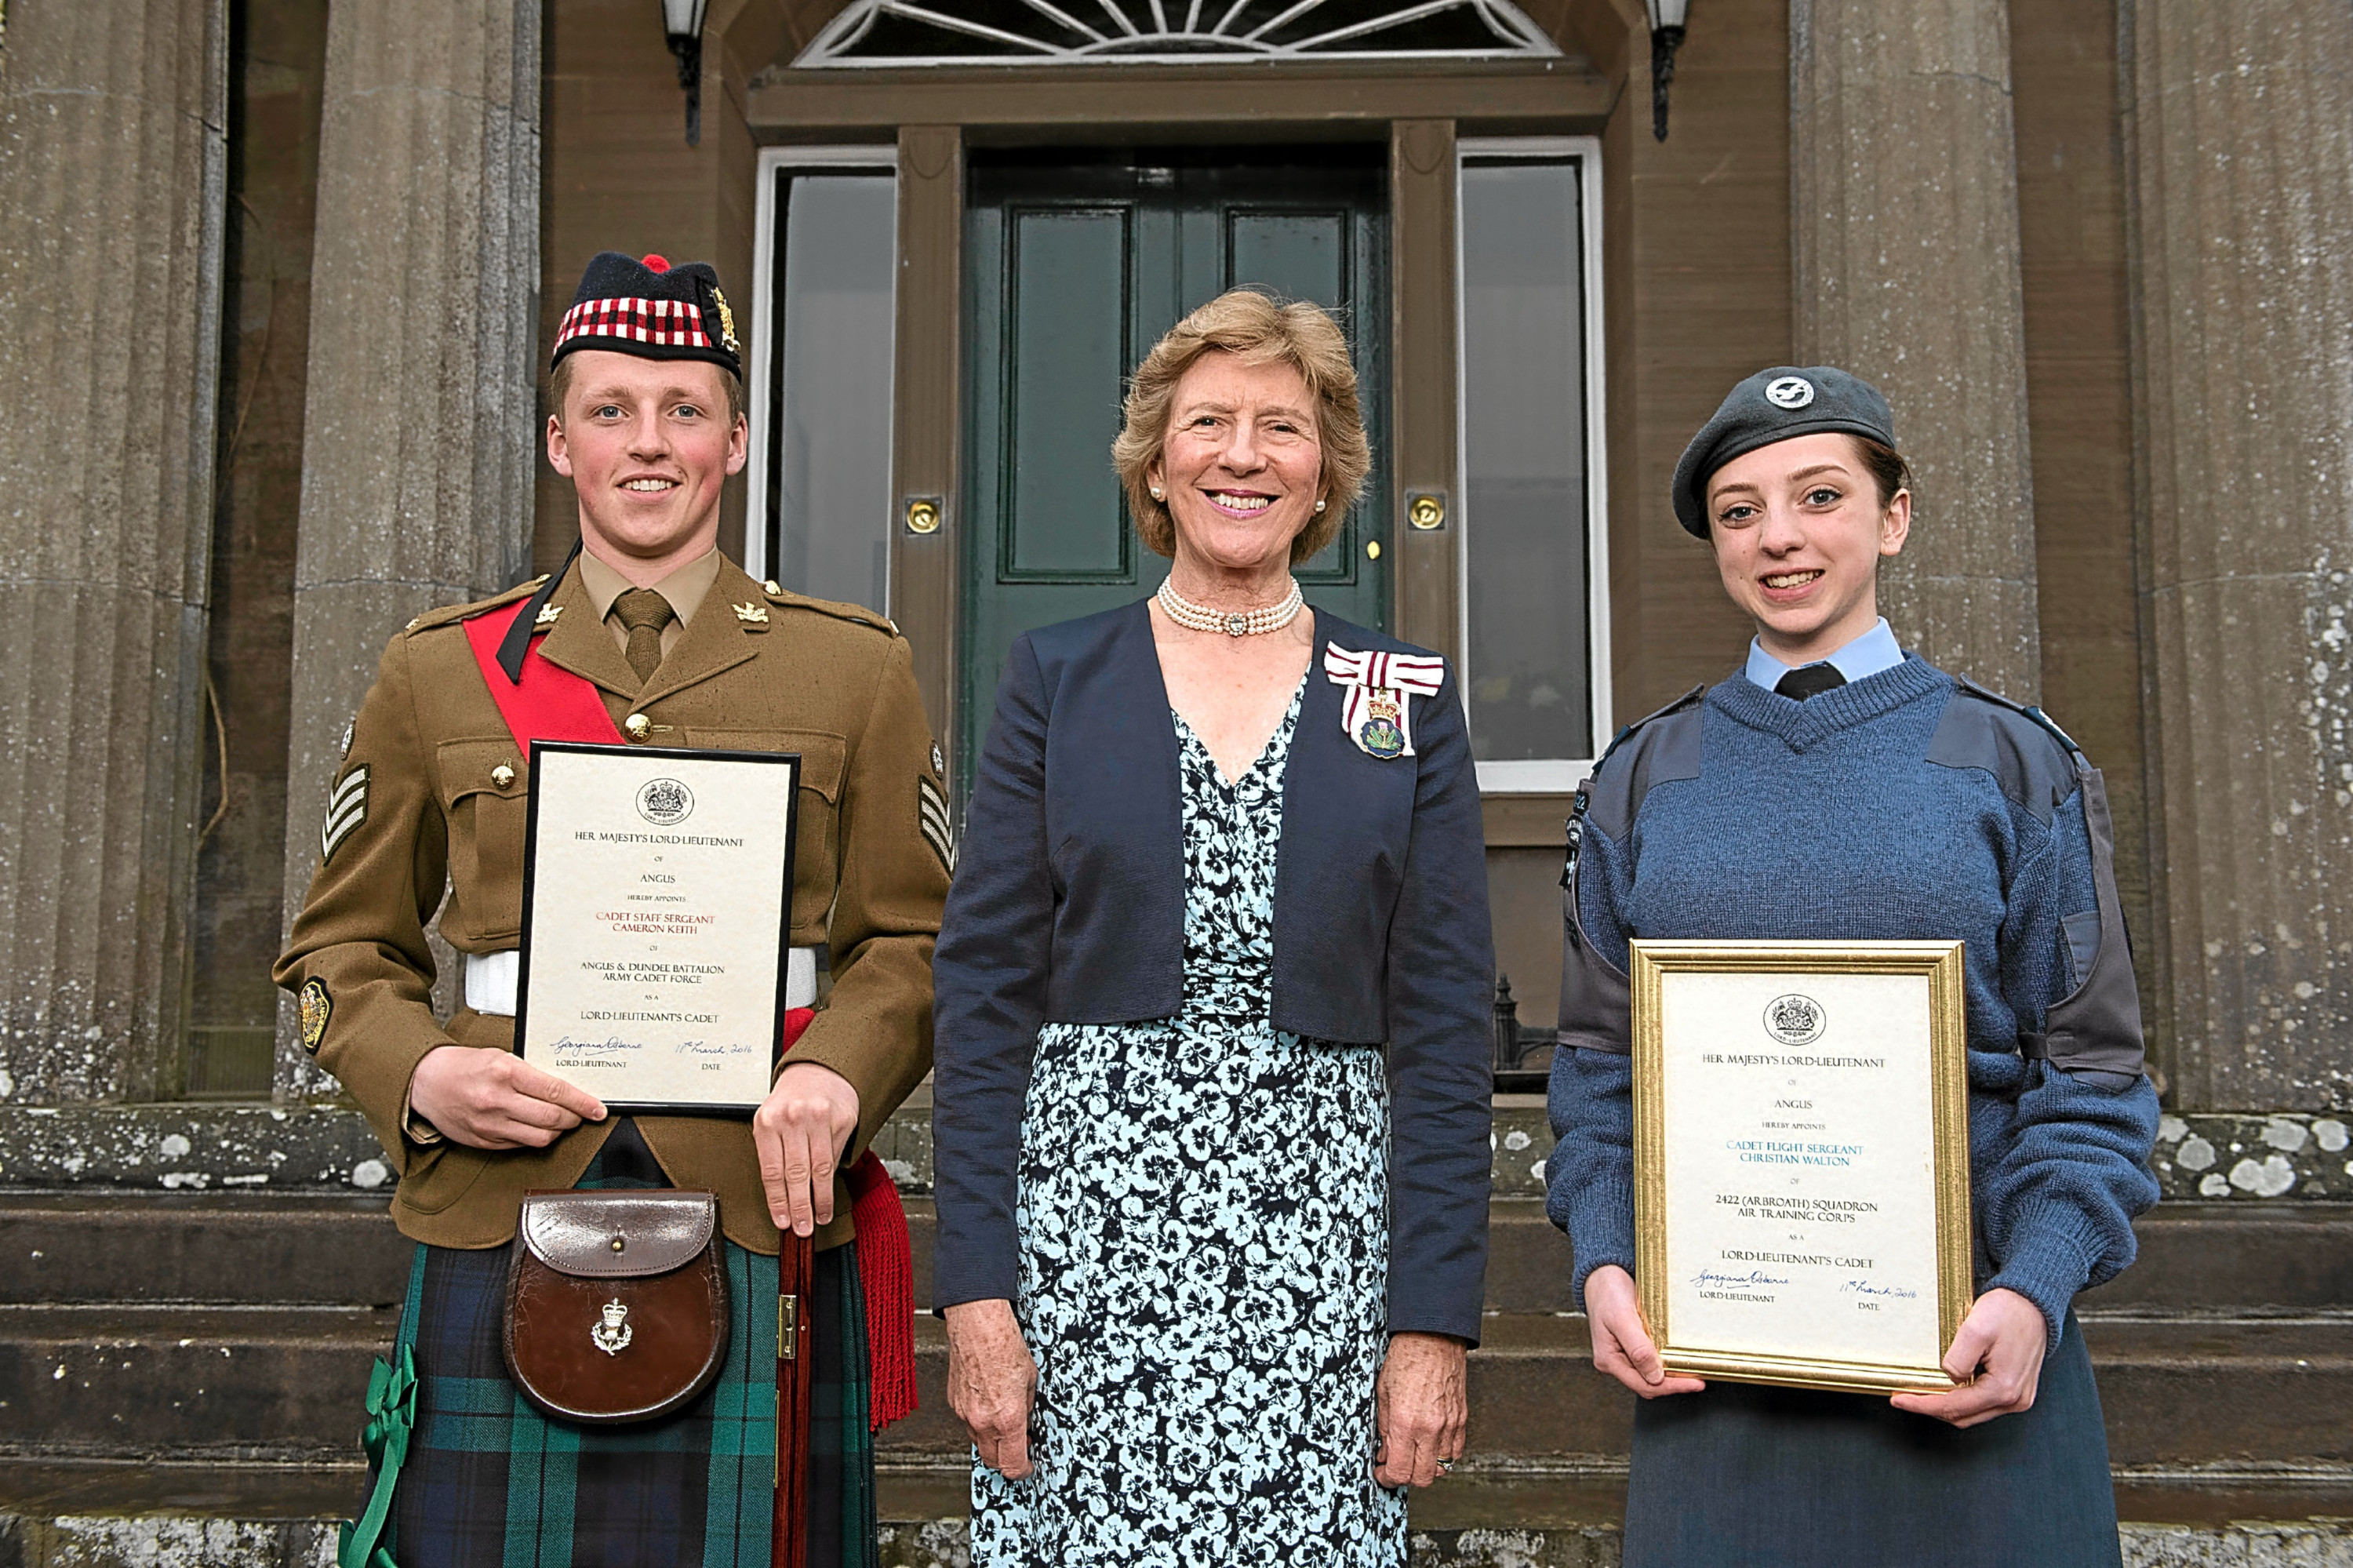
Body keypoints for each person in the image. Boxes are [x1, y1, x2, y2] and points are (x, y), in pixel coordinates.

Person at [275, 250, 947, 1566]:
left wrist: (836, 1078)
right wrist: (421, 1075)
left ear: (737, 439)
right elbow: (335, 949)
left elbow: (912, 947)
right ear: (558, 440)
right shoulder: (437, 672)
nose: (651, 445)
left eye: (686, 410)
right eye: (611, 410)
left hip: (759, 1209)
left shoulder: (855, 670)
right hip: (500, 1200)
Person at [1547, 365, 2162, 1566]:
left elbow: (2091, 1070)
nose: (1779, 537)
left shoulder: (2012, 763)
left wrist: (2037, 1287)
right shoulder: (1640, 778)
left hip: (1971, 1364)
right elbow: (1596, 1070)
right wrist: (1604, 1254)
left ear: (1894, 517)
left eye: (1820, 496)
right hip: (1715, 1383)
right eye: (1740, 510)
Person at [929, 289, 1496, 1565]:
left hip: (1324, 1254)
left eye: (1282, 428)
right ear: (1157, 458)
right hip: (1088, 1252)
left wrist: (1433, 1324)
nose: (1243, 455)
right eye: (1208, 423)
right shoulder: (1055, 678)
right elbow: (980, 1004)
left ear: (1326, 471)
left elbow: (1450, 1034)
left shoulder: (1398, 695)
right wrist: (977, 1297)